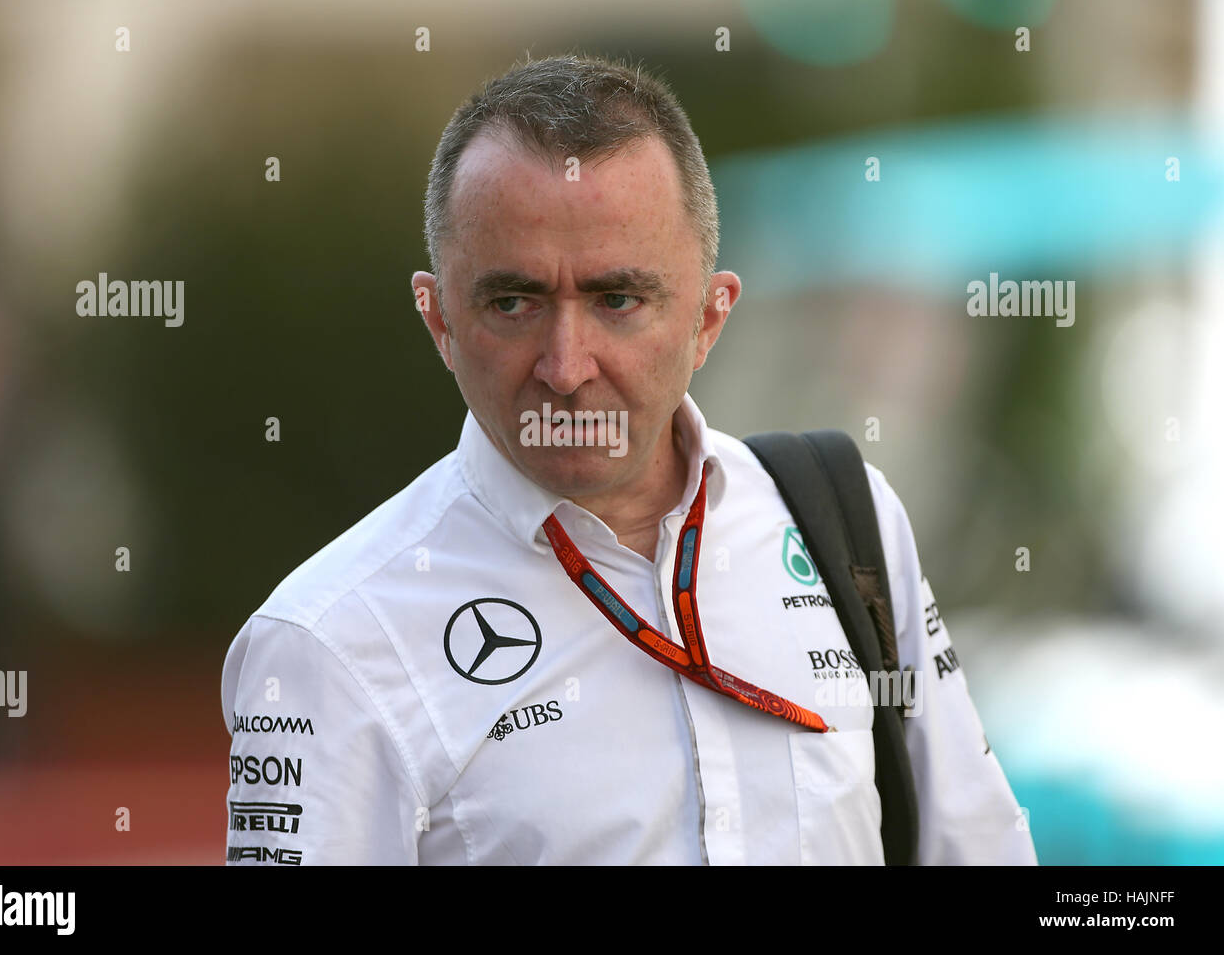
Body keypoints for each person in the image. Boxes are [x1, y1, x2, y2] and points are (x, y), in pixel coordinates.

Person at [221, 53, 1037, 865]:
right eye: (513, 303)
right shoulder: (329, 642)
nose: (567, 366)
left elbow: (981, 848)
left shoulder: (848, 523)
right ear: (438, 321)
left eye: (618, 301)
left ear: (710, 319)